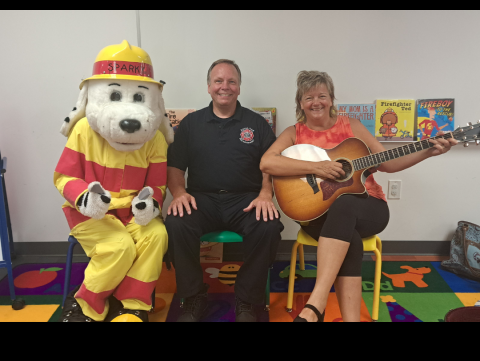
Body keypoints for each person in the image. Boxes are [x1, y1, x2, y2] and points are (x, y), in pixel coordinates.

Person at [260, 71, 457, 322]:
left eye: (322, 95)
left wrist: (427, 152)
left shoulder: (351, 126)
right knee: (348, 237)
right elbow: (267, 163)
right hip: (317, 214)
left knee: (345, 203)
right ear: (300, 102)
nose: (316, 102)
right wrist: (316, 168)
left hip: (368, 208)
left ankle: (315, 303)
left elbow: (388, 163)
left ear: (331, 99)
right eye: (309, 97)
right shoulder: (293, 133)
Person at [54, 41, 172, 323]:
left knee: (157, 236)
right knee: (119, 246)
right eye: (115, 95)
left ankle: (133, 304)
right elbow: (64, 176)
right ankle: (88, 303)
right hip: (91, 214)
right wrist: (84, 197)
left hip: (133, 213)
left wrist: (150, 202)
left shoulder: (154, 138)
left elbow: (158, 183)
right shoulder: (83, 130)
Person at [165, 59, 284, 322]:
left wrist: (266, 194)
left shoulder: (257, 124)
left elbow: (272, 165)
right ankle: (194, 297)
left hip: (246, 199)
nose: (225, 87)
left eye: (231, 81)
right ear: (209, 87)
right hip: (201, 199)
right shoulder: (190, 124)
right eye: (218, 81)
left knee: (268, 225)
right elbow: (174, 166)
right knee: (176, 222)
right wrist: (179, 194)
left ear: (239, 88)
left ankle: (247, 300)